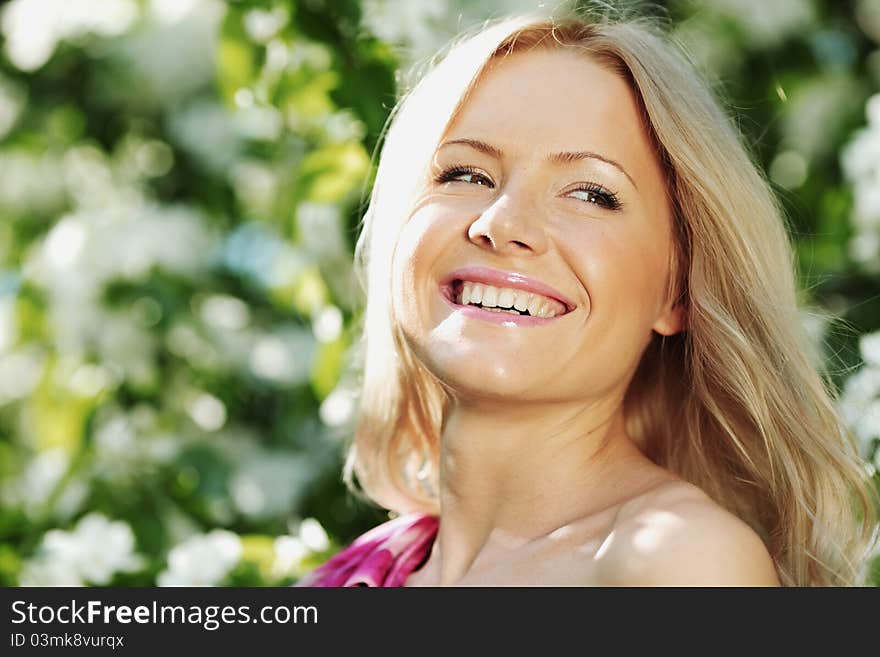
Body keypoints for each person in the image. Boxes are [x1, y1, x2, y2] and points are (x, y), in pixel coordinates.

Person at [296, 9, 878, 587]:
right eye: (466, 175)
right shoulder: (369, 568)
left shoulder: (677, 561)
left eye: (592, 193)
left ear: (676, 293)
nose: (501, 223)